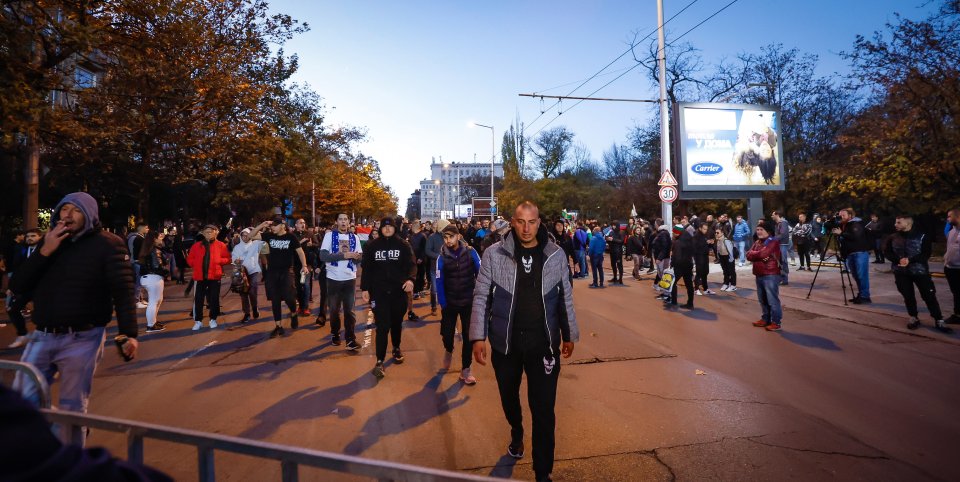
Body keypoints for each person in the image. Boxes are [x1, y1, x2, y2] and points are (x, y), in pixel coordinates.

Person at [10, 192, 138, 445]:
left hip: (83, 338)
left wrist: (128, 334)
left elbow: (123, 292)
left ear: (89, 215)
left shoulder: (108, 244)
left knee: (72, 406)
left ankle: (71, 460)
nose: (67, 215)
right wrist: (44, 251)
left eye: (75, 210)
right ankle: (62, 435)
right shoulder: (50, 243)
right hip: (43, 335)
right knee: (23, 403)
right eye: (64, 209)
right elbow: (18, 284)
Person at [469, 201, 579, 482]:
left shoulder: (555, 255)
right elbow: (482, 296)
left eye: (531, 222)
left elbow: (565, 296)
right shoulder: (494, 254)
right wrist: (477, 337)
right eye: (520, 222)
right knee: (509, 398)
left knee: (543, 409)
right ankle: (516, 431)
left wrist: (569, 334)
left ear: (539, 222)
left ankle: (543, 472)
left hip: (543, 344)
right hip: (506, 344)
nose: (526, 228)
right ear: (512, 223)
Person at [360, 217, 417, 378]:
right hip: (379, 292)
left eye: (389, 227)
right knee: (382, 326)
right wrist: (365, 288)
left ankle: (396, 347)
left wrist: (410, 280)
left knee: (397, 323)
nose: (386, 229)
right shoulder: (372, 246)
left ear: (394, 228)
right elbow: (367, 268)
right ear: (380, 228)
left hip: (398, 292)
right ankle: (379, 361)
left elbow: (412, 264)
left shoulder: (403, 245)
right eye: (384, 227)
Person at [884, 215, 952, 333]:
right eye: (896, 222)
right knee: (908, 296)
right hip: (901, 272)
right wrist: (897, 260)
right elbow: (887, 252)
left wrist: (910, 260)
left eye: (899, 222)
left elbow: (926, 254)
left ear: (908, 223)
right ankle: (913, 317)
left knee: (929, 295)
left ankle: (938, 319)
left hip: (920, 271)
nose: (895, 225)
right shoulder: (892, 237)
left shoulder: (922, 236)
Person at [435, 223, 482, 384]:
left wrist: (481, 296)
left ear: (458, 236)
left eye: (451, 237)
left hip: (469, 300)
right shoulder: (442, 257)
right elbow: (439, 281)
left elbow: (481, 274)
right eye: (445, 237)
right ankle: (448, 349)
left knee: (469, 336)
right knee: (447, 334)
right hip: (449, 302)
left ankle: (466, 369)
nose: (448, 241)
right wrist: (442, 302)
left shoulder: (470, 253)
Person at [249, 217, 310, 338]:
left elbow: (300, 252)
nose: (272, 228)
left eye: (274, 225)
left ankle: (293, 313)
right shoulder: (269, 236)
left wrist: (304, 265)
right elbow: (251, 236)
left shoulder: (291, 237)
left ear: (282, 225)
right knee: (275, 299)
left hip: (287, 271)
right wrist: (262, 224)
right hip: (272, 272)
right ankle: (278, 326)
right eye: (271, 226)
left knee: (289, 297)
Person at [319, 213, 363, 350]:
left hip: (350, 278)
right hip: (333, 278)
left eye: (345, 219)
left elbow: (359, 257)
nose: (343, 222)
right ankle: (335, 333)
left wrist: (356, 257)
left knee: (350, 311)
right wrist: (344, 255)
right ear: (336, 222)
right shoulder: (329, 236)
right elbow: (323, 256)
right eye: (340, 219)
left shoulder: (354, 237)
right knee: (334, 310)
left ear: (349, 222)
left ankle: (350, 339)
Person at [186, 224, 231, 330]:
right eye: (206, 232)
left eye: (210, 231)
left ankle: (213, 319)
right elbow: (189, 259)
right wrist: (195, 264)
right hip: (200, 277)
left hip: (215, 276)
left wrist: (219, 261)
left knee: (214, 299)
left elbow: (228, 259)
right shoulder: (197, 245)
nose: (208, 234)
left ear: (216, 232)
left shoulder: (221, 245)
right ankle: (198, 321)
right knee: (198, 299)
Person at [5, 229, 41, 348]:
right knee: (13, 310)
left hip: (41, 288)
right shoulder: (21, 250)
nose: (30, 238)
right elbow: (16, 270)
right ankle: (22, 334)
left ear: (40, 237)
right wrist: (11, 287)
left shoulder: (45, 249)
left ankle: (43, 337)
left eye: (33, 236)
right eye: (28, 236)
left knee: (42, 312)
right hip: (25, 288)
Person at [748, 220, 783, 331]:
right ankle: (765, 319)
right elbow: (748, 255)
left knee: (772, 300)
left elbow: (764, 254)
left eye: (761, 230)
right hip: (759, 273)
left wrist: (757, 254)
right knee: (762, 299)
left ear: (767, 231)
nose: (758, 232)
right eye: (757, 230)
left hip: (770, 274)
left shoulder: (773, 241)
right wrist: (758, 255)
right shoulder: (757, 242)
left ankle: (776, 322)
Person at [833, 208, 872, 304]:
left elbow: (855, 237)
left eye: (843, 215)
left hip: (860, 252)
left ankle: (865, 296)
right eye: (840, 215)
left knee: (861, 275)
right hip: (850, 253)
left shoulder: (856, 223)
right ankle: (861, 294)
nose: (841, 217)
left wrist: (841, 233)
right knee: (856, 276)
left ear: (850, 215)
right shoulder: (845, 225)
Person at [231, 227, 265, 322]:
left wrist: (255, 230)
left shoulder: (256, 244)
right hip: (242, 273)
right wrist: (235, 260)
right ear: (241, 236)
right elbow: (233, 258)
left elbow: (264, 238)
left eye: (247, 235)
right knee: (243, 293)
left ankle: (254, 308)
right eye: (243, 235)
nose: (245, 237)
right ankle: (246, 313)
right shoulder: (237, 247)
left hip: (253, 271)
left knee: (252, 291)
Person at [138, 232, 168, 333]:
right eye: (160, 237)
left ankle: (153, 322)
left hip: (147, 277)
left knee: (156, 300)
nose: (161, 239)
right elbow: (157, 265)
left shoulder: (147, 248)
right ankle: (151, 325)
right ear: (154, 239)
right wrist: (165, 271)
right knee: (154, 301)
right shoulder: (155, 250)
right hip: (153, 277)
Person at [669, 224, 695, 309]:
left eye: (674, 232)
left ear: (677, 233)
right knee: (689, 285)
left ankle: (673, 301)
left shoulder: (678, 242)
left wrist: (672, 265)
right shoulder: (689, 239)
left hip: (679, 266)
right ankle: (690, 303)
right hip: (688, 264)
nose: (673, 233)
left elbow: (677, 257)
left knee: (672, 282)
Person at [425, 219, 446, 317]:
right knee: (434, 289)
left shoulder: (449, 236)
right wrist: (438, 256)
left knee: (447, 289)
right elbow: (428, 251)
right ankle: (434, 307)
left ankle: (445, 308)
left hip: (447, 267)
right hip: (435, 268)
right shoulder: (432, 237)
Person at [126, 222, 149, 308]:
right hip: (137, 262)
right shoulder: (137, 238)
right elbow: (135, 251)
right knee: (139, 282)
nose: (147, 229)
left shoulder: (137, 237)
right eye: (146, 228)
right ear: (141, 228)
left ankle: (140, 299)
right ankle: (137, 300)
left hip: (137, 261)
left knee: (140, 281)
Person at [946, 209, 960, 324]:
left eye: (950, 216)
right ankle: (957, 314)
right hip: (950, 268)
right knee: (956, 292)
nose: (948, 219)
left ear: (958, 217)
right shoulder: (951, 231)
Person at [693, 222, 714, 295]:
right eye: (704, 229)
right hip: (699, 256)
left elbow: (705, 244)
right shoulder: (696, 235)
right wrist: (706, 242)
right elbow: (696, 247)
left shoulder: (705, 235)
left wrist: (711, 243)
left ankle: (705, 288)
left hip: (705, 255)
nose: (705, 230)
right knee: (699, 272)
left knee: (705, 272)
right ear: (700, 228)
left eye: (706, 229)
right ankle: (696, 289)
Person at [651, 224, 672, 297]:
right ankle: (665, 292)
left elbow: (664, 247)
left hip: (662, 258)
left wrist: (659, 258)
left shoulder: (662, 234)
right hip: (663, 257)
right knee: (663, 274)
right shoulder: (664, 234)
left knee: (663, 275)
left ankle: (666, 293)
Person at [771, 211, 791, 285]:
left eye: (773, 215)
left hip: (783, 244)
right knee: (778, 261)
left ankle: (785, 279)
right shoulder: (778, 223)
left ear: (777, 215)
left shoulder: (783, 223)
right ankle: (780, 278)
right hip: (779, 244)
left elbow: (782, 234)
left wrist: (773, 239)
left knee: (783, 261)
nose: (771, 216)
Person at [716, 225, 737, 291]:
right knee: (725, 271)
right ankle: (726, 283)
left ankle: (733, 285)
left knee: (731, 271)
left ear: (722, 233)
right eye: (715, 232)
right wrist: (719, 258)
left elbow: (730, 251)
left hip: (728, 257)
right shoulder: (718, 240)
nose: (716, 234)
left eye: (717, 232)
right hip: (722, 257)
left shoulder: (726, 240)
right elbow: (718, 250)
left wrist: (731, 259)